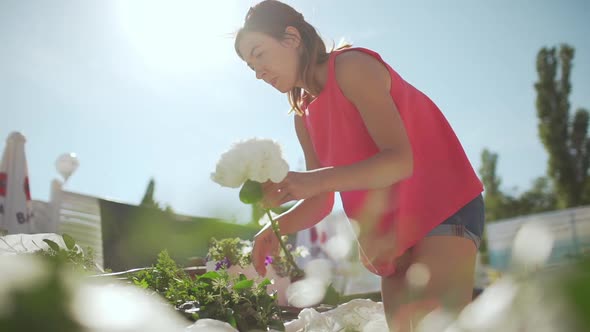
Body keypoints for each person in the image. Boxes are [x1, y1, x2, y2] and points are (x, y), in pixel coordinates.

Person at [234, 1, 484, 330]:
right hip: (392, 236)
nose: (257, 72)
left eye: (259, 53)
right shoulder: (303, 118)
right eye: (250, 64)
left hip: (442, 205)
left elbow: (398, 160)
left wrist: (315, 180)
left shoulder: (351, 66)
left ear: (291, 38)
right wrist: (275, 227)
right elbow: (321, 200)